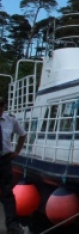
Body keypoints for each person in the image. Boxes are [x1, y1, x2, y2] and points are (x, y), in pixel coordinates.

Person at [0, 97, 27, 234]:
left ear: (3, 107)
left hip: (4, 159)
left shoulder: (10, 119)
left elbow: (22, 134)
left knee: (7, 194)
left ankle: (12, 225)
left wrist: (17, 151)